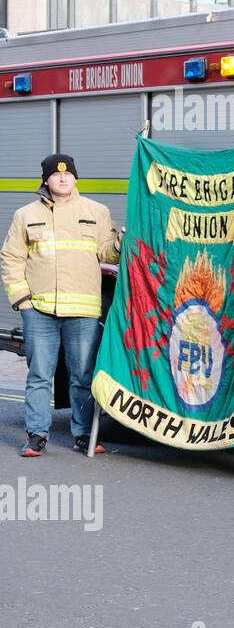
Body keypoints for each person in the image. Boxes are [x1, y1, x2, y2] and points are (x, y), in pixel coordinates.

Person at [1, 154, 120, 457]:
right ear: (46, 180)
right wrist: (22, 301)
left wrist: (120, 244)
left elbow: (108, 255)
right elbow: (11, 257)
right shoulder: (25, 215)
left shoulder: (97, 211)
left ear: (75, 178)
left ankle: (83, 434)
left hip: (82, 310)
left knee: (82, 375)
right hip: (39, 310)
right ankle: (36, 434)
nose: (63, 178)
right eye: (56, 175)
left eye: (68, 175)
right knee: (40, 374)